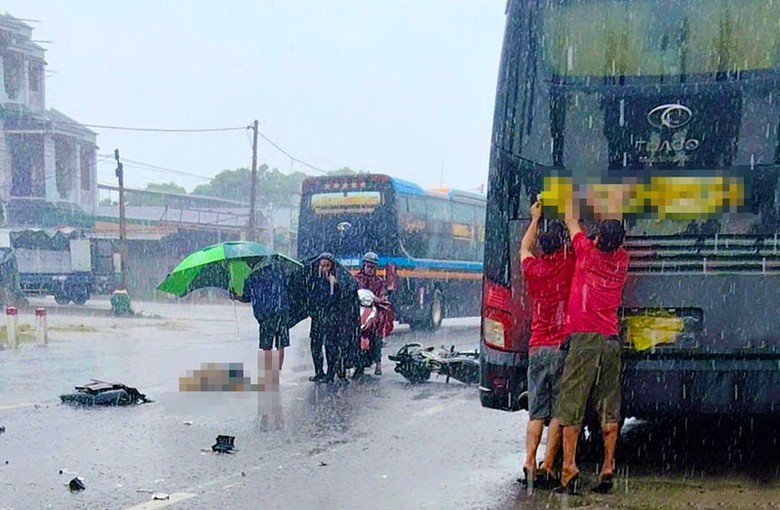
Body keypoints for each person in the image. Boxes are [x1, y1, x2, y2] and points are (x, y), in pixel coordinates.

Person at [555, 214, 629, 495]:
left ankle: (569, 468)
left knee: (572, 404)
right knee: (609, 404)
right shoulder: (622, 260)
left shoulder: (586, 253)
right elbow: (611, 242)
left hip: (584, 338)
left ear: (597, 240)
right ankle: (608, 466)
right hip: (611, 339)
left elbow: (571, 221)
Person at [519, 202, 575, 490]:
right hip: (561, 348)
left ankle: (528, 460)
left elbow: (523, 249)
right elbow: (578, 247)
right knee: (556, 412)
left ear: (542, 249)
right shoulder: (567, 267)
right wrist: (569, 221)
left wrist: (534, 219)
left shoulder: (533, 268)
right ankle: (548, 464)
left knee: (536, 411)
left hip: (537, 347)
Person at [308, 253, 357, 384]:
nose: (324, 268)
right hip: (318, 318)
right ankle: (319, 372)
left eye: (327, 266)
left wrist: (336, 285)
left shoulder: (338, 280)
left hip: (332, 319)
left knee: (331, 346)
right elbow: (311, 297)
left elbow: (347, 295)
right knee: (315, 345)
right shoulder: (314, 279)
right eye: (322, 265)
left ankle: (331, 373)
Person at [241, 262, 290, 388]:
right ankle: (277, 375)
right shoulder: (279, 269)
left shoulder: (252, 276)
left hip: (265, 315)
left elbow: (246, 297)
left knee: (267, 347)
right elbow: (288, 287)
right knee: (281, 345)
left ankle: (268, 377)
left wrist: (235, 296)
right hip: (282, 311)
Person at [354, 251, 389, 376]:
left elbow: (383, 296)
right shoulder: (356, 279)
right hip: (359, 311)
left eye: (372, 267)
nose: (369, 269)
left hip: (374, 311)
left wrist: (378, 300)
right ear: (363, 266)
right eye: (367, 266)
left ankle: (378, 363)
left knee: (376, 332)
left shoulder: (379, 282)